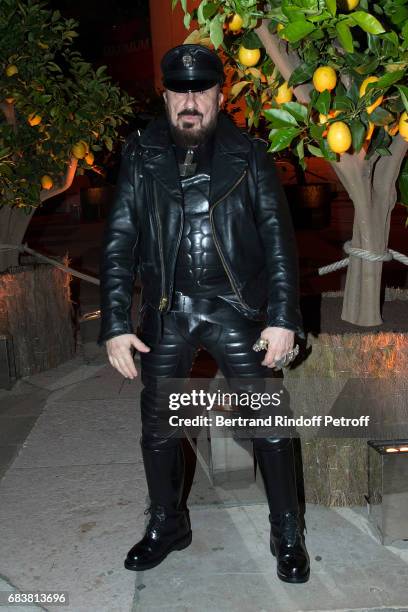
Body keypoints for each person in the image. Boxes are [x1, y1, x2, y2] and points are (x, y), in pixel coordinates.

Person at [98, 44, 310, 584]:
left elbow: (279, 244)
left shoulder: (252, 154)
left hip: (237, 310)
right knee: (158, 431)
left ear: (219, 94)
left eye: (201, 90)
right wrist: (116, 324)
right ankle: (168, 525)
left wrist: (282, 317)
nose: (190, 101)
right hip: (169, 312)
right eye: (179, 91)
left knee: (271, 427)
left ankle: (287, 530)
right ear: (166, 96)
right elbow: (120, 240)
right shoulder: (141, 153)